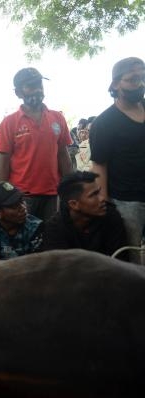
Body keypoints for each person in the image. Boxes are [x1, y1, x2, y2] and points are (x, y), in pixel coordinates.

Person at [0, 67, 72, 221]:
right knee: (24, 240)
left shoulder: (57, 118)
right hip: (21, 196)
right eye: (31, 86)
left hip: (53, 194)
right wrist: (2, 198)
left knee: (51, 240)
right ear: (18, 93)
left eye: (40, 85)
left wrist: (71, 188)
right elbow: (3, 163)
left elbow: (63, 155)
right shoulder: (9, 122)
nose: (37, 89)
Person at [90, 57, 145, 263]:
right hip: (126, 201)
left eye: (142, 78)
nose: (139, 84)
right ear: (115, 84)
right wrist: (104, 202)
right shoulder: (105, 122)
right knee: (129, 257)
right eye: (132, 79)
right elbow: (99, 164)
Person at [41, 171, 127, 258]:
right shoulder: (55, 229)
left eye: (99, 192)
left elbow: (120, 260)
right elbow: (58, 267)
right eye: (93, 195)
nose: (102, 198)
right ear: (74, 204)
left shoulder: (111, 216)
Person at [0, 182, 43, 265]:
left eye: (21, 200)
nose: (23, 207)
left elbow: (36, 267)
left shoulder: (35, 226)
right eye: (14, 206)